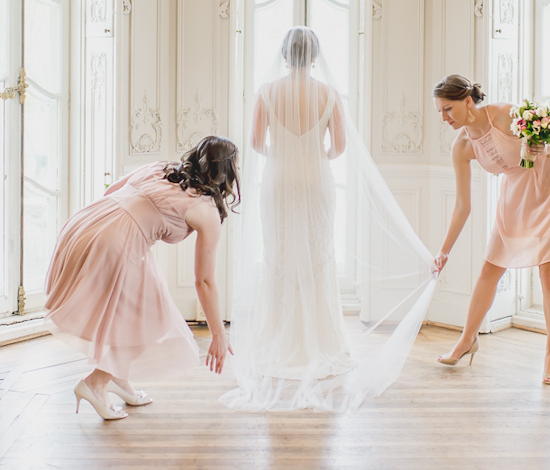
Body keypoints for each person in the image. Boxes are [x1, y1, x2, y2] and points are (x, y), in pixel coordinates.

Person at [221, 27, 436, 411]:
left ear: (285, 55)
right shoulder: (329, 94)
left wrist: (283, 153)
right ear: (315, 56)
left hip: (280, 180)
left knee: (279, 257)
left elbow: (254, 143)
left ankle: (281, 341)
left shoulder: (267, 92)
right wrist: (311, 154)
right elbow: (338, 146)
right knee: (319, 257)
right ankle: (318, 343)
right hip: (316, 179)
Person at [44, 135, 240, 420]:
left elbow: (113, 190)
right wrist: (218, 333)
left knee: (127, 313)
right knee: (151, 318)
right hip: (115, 240)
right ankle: (95, 384)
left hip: (87, 222)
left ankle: (118, 378)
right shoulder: (206, 210)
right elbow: (204, 281)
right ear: (227, 173)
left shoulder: (162, 168)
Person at [432, 75, 550, 384]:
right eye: (440, 111)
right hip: (516, 200)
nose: (444, 118)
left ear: (467, 102)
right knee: (489, 271)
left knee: (548, 273)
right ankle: (467, 339)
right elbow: (462, 206)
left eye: (447, 109)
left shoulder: (503, 113)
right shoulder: (461, 147)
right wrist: (444, 250)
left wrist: (543, 146)